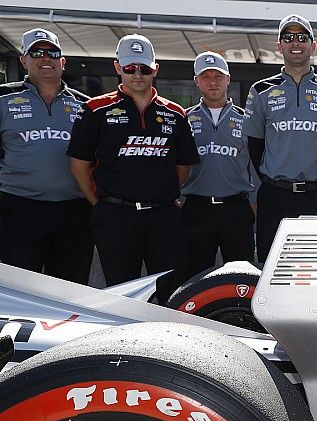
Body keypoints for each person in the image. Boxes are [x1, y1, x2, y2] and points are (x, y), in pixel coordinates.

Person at [67, 34, 199, 301]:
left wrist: (164, 192)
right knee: (122, 294)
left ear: (155, 69)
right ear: (118, 67)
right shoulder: (94, 110)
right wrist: (99, 203)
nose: (137, 74)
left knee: (171, 294)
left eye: (144, 68)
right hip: (115, 216)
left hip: (163, 217)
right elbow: (79, 164)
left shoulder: (175, 113)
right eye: (130, 68)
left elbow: (184, 166)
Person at [243, 14, 317, 261]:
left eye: (302, 37)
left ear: (313, 45)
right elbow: (255, 147)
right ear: (278, 45)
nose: (295, 43)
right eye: (288, 38)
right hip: (275, 197)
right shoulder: (261, 90)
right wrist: (276, 178)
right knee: (271, 269)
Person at [0, 28, 92, 283]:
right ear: (23, 60)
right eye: (37, 52)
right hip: (20, 210)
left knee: (70, 292)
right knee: (17, 291)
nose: (45, 58)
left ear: (62, 61)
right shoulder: (3, 98)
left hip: (75, 212)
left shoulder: (86, 105)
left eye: (52, 53)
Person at [182, 52, 256, 275]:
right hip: (196, 208)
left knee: (240, 276)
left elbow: (255, 166)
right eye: (206, 76)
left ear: (228, 79)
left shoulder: (247, 120)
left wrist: (253, 205)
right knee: (194, 276)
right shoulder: (183, 119)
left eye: (218, 76)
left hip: (236, 208)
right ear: (196, 81)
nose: (213, 81)